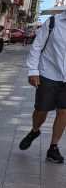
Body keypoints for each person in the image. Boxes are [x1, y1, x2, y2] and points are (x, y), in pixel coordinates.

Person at [21, 11, 66, 163]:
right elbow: (36, 47)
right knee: (41, 110)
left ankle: (53, 148)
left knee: (63, 112)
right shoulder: (53, 22)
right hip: (48, 73)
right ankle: (35, 131)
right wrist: (33, 71)